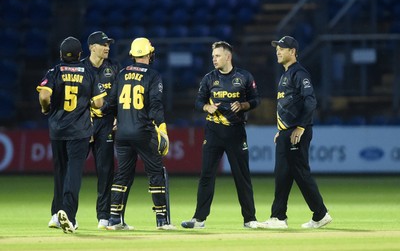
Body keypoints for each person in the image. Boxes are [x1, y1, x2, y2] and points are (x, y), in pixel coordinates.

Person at [181, 41, 261, 229]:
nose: (214, 59)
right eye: (213, 56)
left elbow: (256, 99)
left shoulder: (244, 77)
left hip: (236, 132)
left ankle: (250, 219)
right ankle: (199, 219)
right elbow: (198, 102)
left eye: (217, 56)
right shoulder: (209, 79)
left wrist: (243, 105)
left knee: (242, 176)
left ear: (228, 56)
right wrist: (206, 107)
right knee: (206, 175)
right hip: (214, 132)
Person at [259, 36, 332, 229]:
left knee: (299, 172)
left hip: (297, 132)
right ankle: (279, 217)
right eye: (277, 48)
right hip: (287, 132)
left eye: (282, 48)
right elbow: (288, 105)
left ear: (293, 52)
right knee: (283, 174)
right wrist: (281, 130)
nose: (278, 51)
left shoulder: (299, 73)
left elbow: (310, 101)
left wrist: (300, 126)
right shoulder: (285, 74)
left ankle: (320, 213)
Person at [105, 37, 175, 230]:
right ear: (149, 54)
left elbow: (110, 104)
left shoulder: (120, 74)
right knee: (156, 173)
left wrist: (113, 120)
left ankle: (114, 219)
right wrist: (162, 129)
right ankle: (162, 220)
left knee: (122, 175)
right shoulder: (152, 76)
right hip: (143, 132)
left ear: (133, 55)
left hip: (122, 134)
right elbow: (155, 106)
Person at [38, 36, 106, 233]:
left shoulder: (55, 71)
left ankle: (55, 214)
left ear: (61, 55)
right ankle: (69, 215)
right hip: (79, 131)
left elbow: (44, 95)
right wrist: (88, 103)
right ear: (80, 54)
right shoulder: (88, 73)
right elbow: (100, 103)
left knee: (60, 171)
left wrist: (45, 109)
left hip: (58, 130)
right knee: (73, 173)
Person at [81, 31, 120, 229]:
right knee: (74, 170)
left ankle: (103, 217)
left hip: (105, 124)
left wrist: (116, 117)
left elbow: (118, 96)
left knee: (106, 171)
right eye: (103, 44)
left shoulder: (113, 68)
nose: (107, 47)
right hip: (82, 124)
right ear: (91, 47)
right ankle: (67, 213)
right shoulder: (79, 68)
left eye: (108, 44)